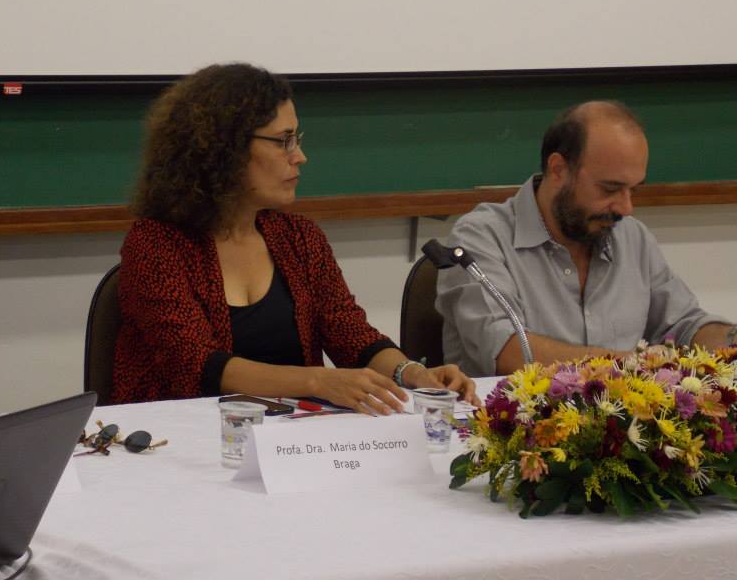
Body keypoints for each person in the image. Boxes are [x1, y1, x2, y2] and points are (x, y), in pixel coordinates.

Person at [111, 63, 476, 413]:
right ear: (225, 148)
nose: (299, 157)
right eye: (283, 141)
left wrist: (412, 373)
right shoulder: (156, 244)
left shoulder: (298, 238)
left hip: (291, 439)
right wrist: (318, 381)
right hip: (181, 440)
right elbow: (195, 364)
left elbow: (350, 333)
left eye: (296, 139)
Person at [437, 100, 735, 377]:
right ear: (558, 169)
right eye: (609, 189)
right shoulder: (481, 237)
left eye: (634, 189)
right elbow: (508, 350)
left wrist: (730, 341)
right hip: (506, 427)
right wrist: (632, 367)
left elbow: (685, 327)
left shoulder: (632, 237)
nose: (625, 207)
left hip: (622, 428)